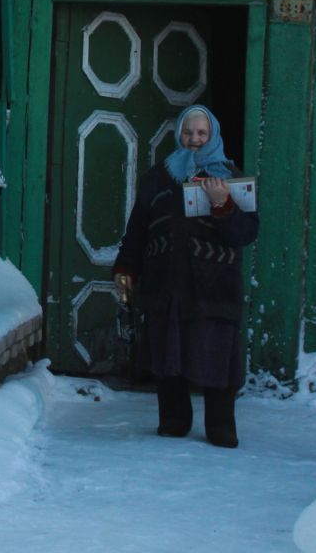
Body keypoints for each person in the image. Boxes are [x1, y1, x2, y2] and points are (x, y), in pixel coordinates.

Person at [112, 104, 257, 448]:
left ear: (213, 136)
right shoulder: (157, 179)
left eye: (202, 133)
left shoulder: (231, 178)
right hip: (168, 284)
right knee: (169, 352)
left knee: (217, 352)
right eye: (188, 133)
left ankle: (221, 426)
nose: (194, 139)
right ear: (179, 134)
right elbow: (138, 231)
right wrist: (126, 268)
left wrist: (223, 204)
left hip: (214, 286)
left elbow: (246, 234)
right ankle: (174, 419)